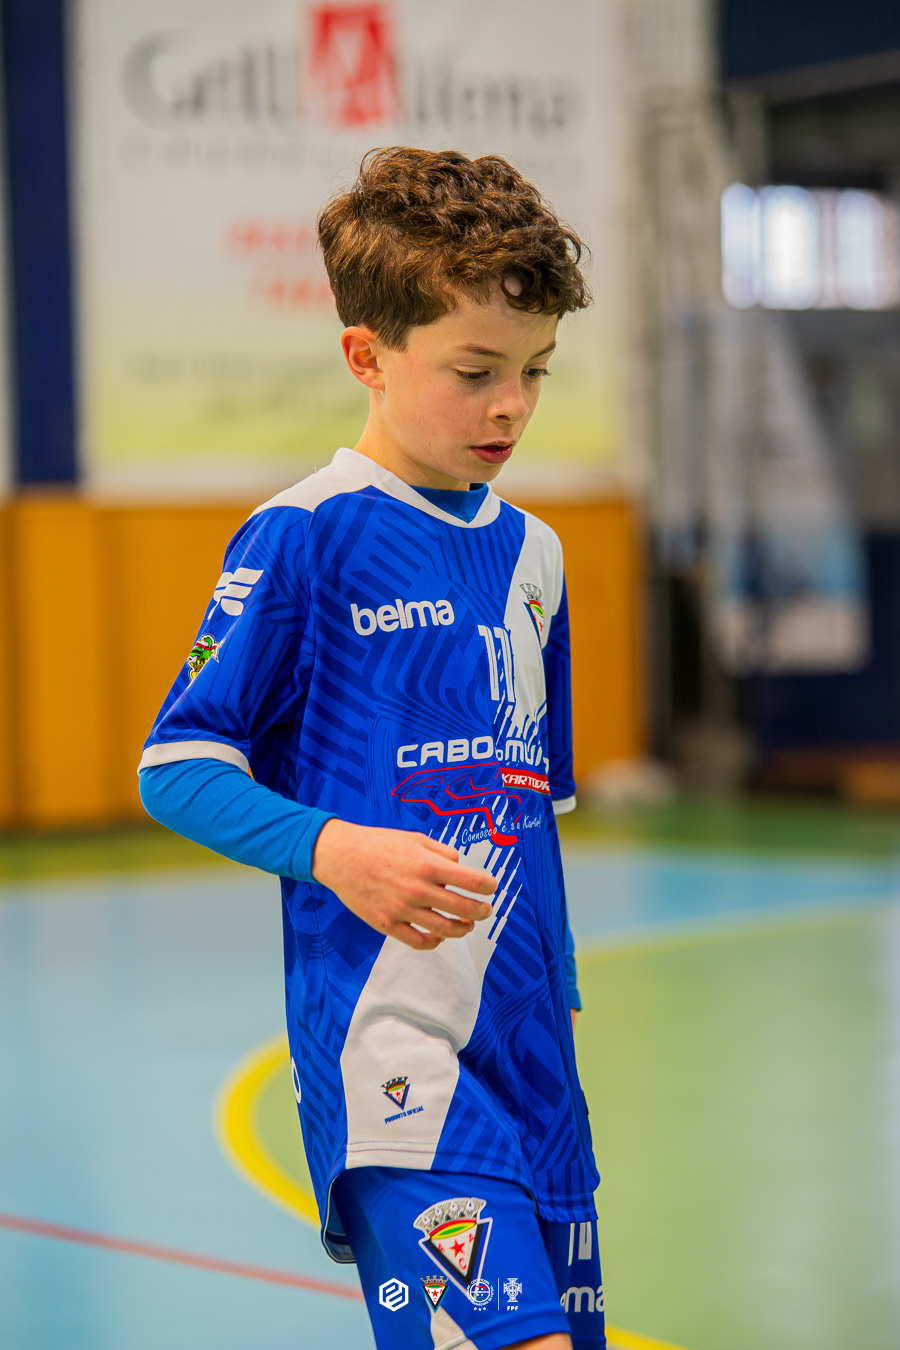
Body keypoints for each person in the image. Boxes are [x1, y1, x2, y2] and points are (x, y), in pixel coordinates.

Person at [139, 147, 603, 1350]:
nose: (511, 406)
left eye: (535, 371)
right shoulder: (304, 537)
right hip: (391, 1050)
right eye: (475, 371)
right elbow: (175, 767)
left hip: (534, 1060)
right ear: (367, 355)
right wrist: (336, 850)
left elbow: (532, 813)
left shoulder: (539, 555)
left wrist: (552, 1004)